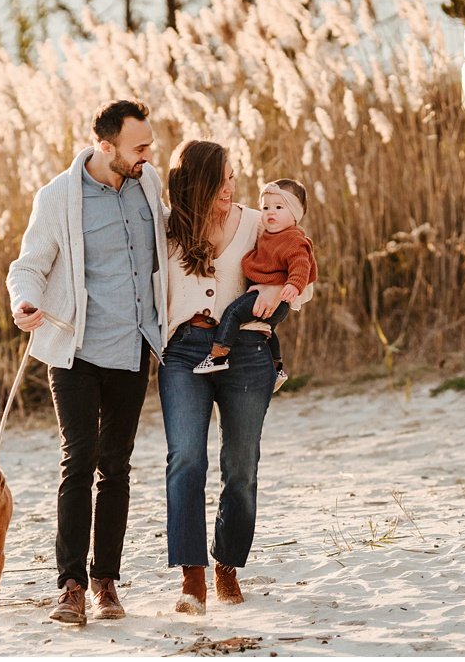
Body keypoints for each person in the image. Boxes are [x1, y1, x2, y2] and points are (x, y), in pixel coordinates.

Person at [6, 99, 167, 626]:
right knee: (78, 462)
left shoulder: (148, 184)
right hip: (74, 350)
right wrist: (23, 303)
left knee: (115, 466)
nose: (148, 154)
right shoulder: (59, 197)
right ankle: (70, 584)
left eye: (149, 145)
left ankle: (106, 582)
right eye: (139, 146)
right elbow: (28, 265)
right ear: (105, 146)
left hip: (132, 347)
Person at [158, 139, 285, 615]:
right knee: (186, 458)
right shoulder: (165, 229)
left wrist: (275, 290)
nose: (230, 189)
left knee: (241, 465)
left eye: (233, 178)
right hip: (184, 352)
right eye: (220, 181)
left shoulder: (257, 223)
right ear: (195, 184)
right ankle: (191, 575)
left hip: (247, 355)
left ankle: (226, 564)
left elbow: (302, 270)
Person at [192, 179, 317, 392]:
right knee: (265, 329)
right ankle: (276, 367)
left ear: (295, 213)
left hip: (277, 298)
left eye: (279, 207)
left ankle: (218, 356)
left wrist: (293, 286)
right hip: (266, 293)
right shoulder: (270, 234)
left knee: (233, 313)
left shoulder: (293, 239)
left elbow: (301, 264)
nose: (270, 213)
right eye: (266, 207)